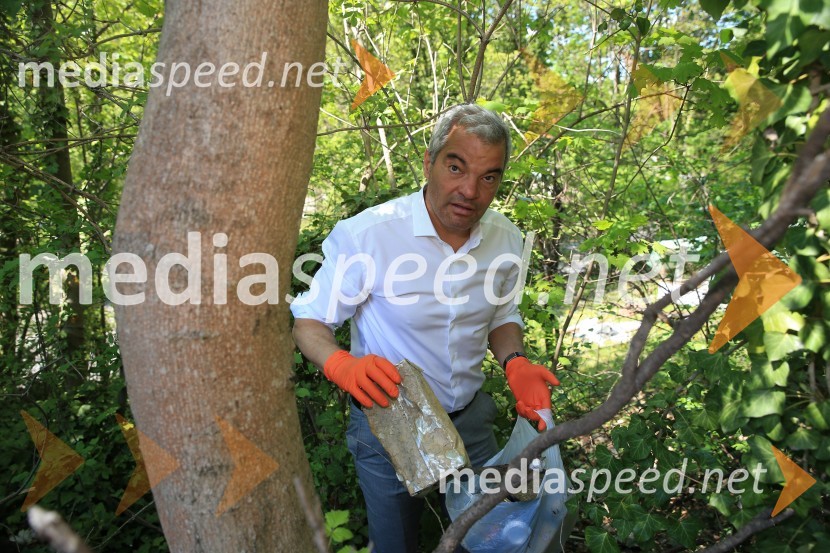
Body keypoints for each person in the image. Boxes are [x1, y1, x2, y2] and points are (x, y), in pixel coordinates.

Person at [290, 103, 560, 553]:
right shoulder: (368, 235)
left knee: (493, 537)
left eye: (488, 176)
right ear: (429, 163)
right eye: (456, 167)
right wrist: (340, 364)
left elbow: (501, 316)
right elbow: (310, 320)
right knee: (396, 543)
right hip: (389, 422)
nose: (470, 190)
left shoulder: (507, 239)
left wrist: (515, 363)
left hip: (472, 422)